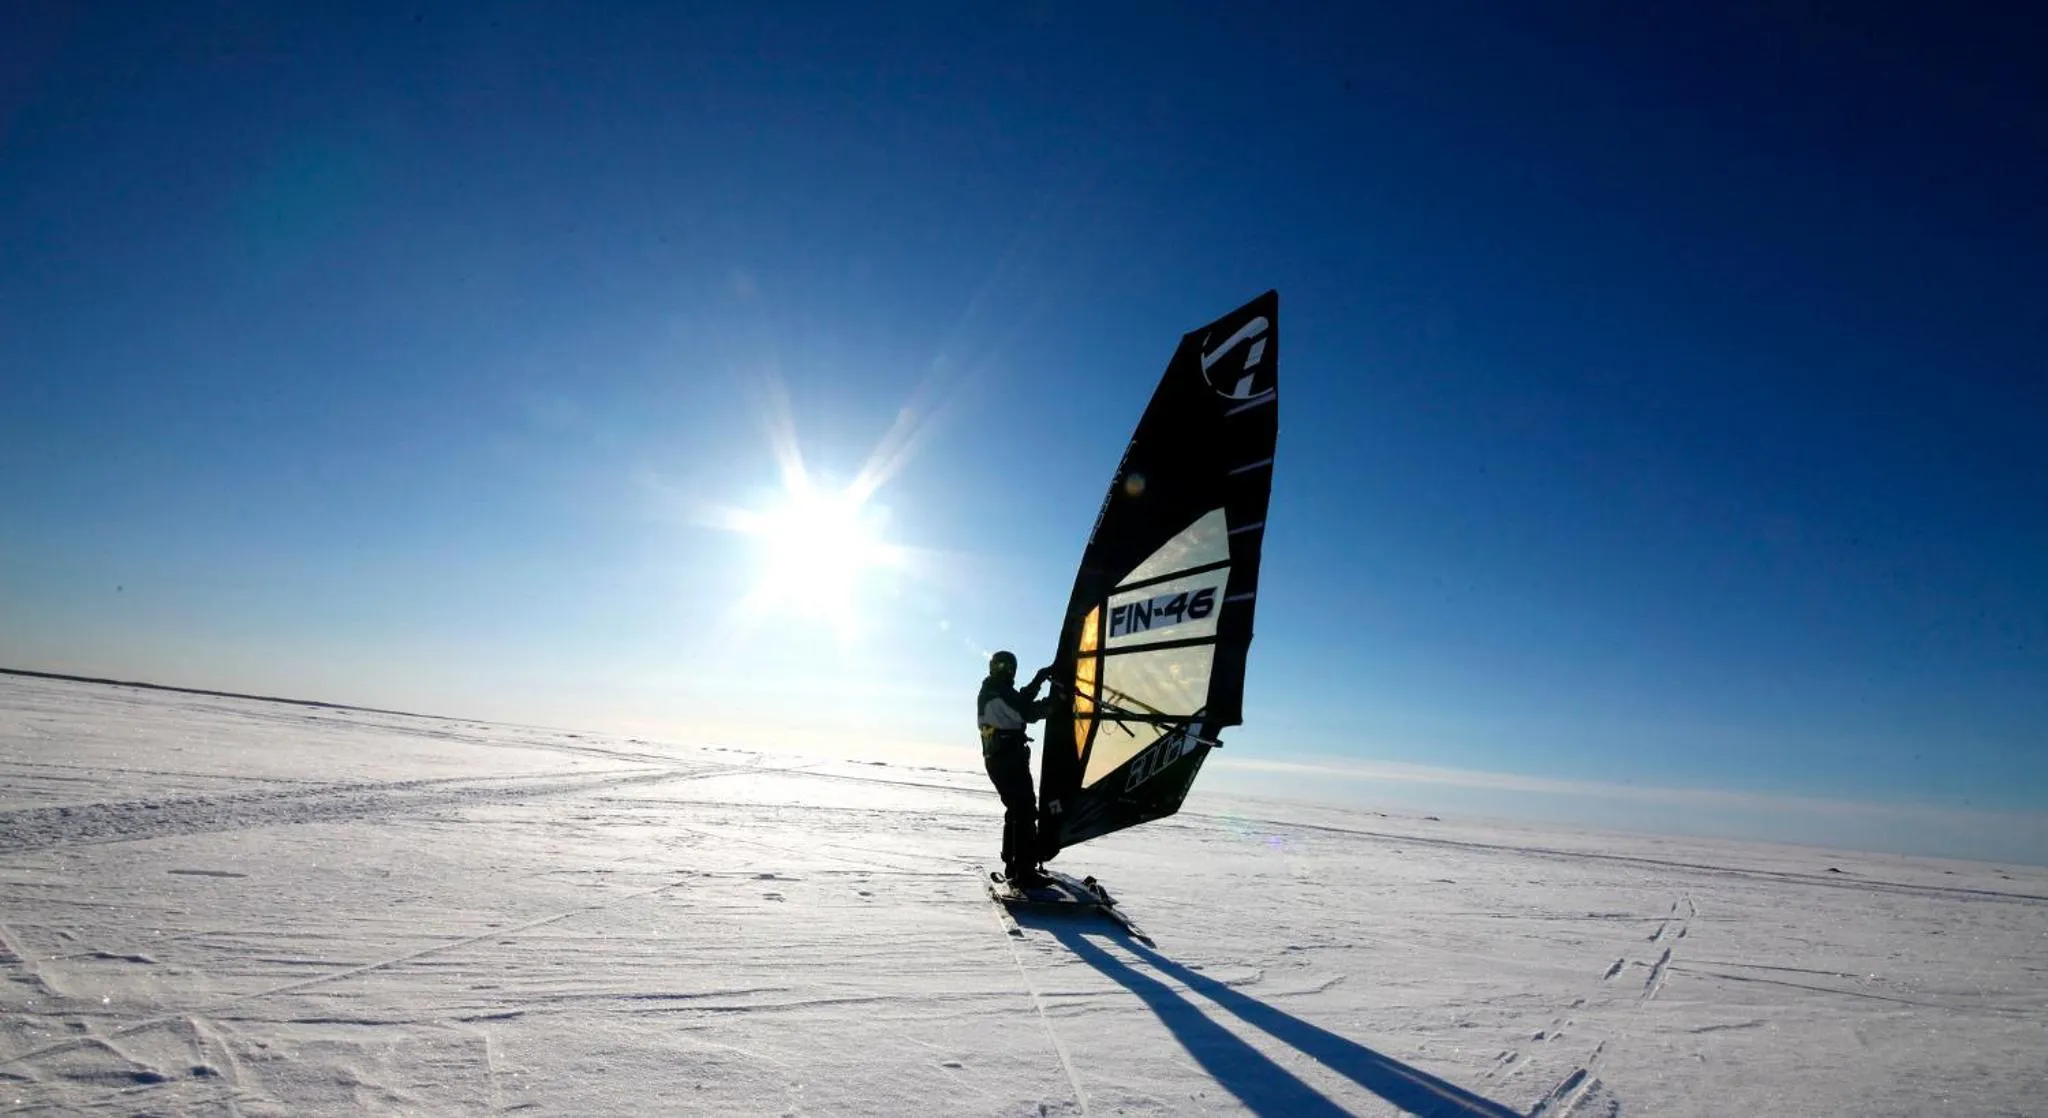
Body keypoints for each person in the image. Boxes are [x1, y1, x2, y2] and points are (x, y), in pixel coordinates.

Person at [977, 650, 1054, 887]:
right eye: (1000, 666)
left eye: (1006, 667)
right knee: (1024, 811)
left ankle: (1013, 864)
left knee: (1017, 810)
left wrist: (1039, 679)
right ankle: (1024, 871)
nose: (1004, 671)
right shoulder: (996, 692)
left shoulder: (996, 689)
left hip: (1003, 758)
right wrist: (1055, 703)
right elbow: (1026, 711)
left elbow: (1020, 701)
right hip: (1006, 759)